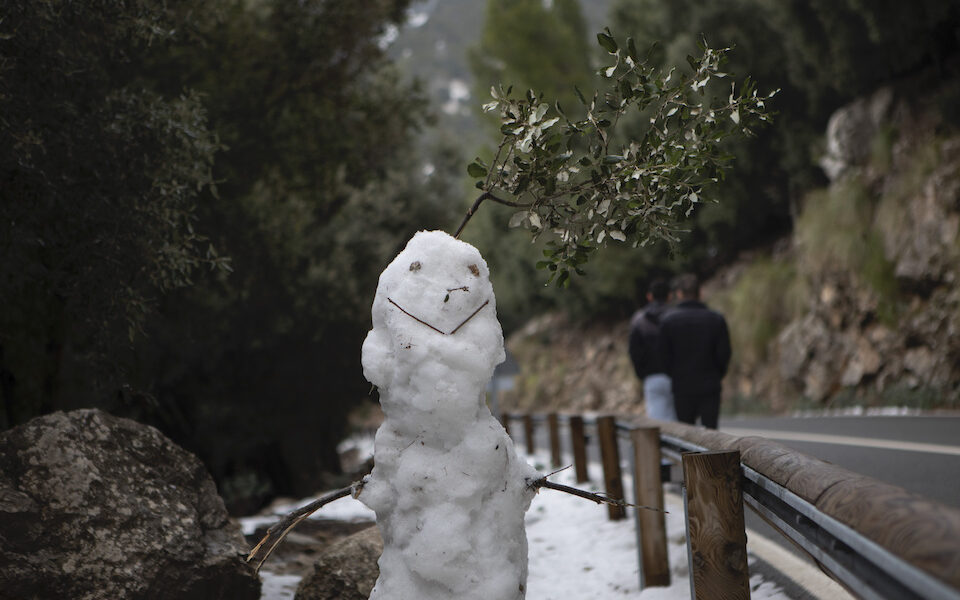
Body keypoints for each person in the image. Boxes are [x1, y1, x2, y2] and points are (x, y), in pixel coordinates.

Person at [658, 273, 731, 429]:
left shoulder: (668, 321)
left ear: (679, 294)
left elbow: (663, 357)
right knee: (712, 435)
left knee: (686, 435)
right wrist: (717, 373)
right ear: (700, 293)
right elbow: (724, 354)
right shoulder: (716, 319)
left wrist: (675, 374)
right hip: (710, 383)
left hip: (682, 385)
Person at [628, 279, 676, 421]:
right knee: (680, 425)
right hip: (677, 376)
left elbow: (634, 351)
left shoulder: (639, 320)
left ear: (649, 296)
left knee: (657, 423)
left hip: (652, 377)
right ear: (670, 296)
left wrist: (642, 373)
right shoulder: (676, 317)